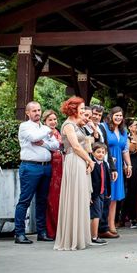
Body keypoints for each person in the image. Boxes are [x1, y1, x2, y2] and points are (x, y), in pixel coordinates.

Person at [14, 101, 60, 244]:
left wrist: (44, 142)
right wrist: (46, 131)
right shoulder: (25, 126)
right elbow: (34, 138)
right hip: (30, 167)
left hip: (46, 167)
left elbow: (55, 145)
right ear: (27, 113)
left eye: (39, 110)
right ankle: (19, 233)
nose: (37, 113)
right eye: (34, 111)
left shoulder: (42, 128)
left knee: (42, 201)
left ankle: (42, 232)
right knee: (25, 200)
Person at [54, 96, 94, 251]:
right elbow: (76, 147)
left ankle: (81, 236)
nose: (84, 111)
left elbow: (87, 144)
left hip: (81, 160)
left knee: (82, 197)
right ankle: (71, 237)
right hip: (74, 160)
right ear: (74, 109)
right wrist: (90, 161)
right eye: (82, 108)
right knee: (74, 196)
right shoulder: (68, 125)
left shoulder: (79, 125)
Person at [99, 106, 132, 237]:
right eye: (116, 115)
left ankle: (111, 223)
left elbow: (125, 150)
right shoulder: (104, 127)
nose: (118, 117)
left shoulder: (124, 131)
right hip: (107, 162)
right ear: (111, 115)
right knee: (106, 194)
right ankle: (102, 225)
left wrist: (129, 165)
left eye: (120, 115)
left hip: (118, 165)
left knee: (114, 197)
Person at [43, 109, 63, 241]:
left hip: (61, 168)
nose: (53, 122)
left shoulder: (58, 132)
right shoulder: (43, 133)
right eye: (50, 119)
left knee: (60, 199)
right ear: (44, 121)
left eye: (55, 119)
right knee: (51, 199)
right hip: (50, 168)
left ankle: (60, 228)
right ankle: (51, 230)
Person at [124, 119, 137, 228]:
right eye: (134, 125)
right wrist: (135, 140)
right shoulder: (127, 137)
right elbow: (131, 149)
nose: (136, 126)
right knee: (132, 190)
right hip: (132, 162)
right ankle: (131, 217)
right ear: (130, 127)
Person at [90, 143, 111, 245]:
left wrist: (108, 193)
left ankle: (95, 234)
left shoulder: (105, 164)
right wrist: (90, 195)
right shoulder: (92, 164)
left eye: (103, 152)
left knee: (100, 213)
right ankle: (93, 237)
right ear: (93, 153)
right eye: (98, 152)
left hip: (103, 193)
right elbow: (90, 181)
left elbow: (107, 179)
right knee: (96, 215)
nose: (100, 154)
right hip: (95, 194)